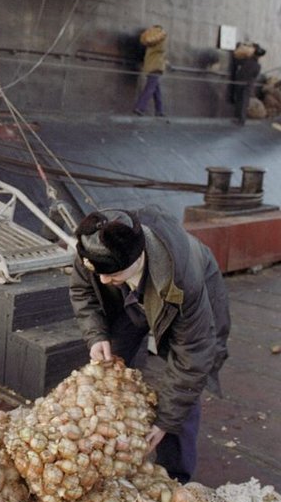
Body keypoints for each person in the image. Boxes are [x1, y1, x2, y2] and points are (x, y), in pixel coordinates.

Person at [69, 206, 230, 483]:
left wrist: (166, 420)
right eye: (99, 274)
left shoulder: (184, 282)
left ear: (136, 258)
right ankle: (108, 453)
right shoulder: (95, 245)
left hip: (180, 294)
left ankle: (175, 475)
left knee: (183, 395)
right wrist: (96, 336)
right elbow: (83, 291)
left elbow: (191, 358)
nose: (104, 280)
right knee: (109, 369)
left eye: (111, 275)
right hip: (129, 295)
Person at [134, 25, 167, 116]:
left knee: (156, 89)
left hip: (149, 65)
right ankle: (140, 108)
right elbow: (161, 52)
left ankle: (159, 110)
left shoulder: (150, 42)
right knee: (150, 88)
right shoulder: (160, 40)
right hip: (156, 66)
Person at [231, 42, 265, 125]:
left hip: (240, 82)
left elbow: (237, 61)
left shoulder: (246, 60)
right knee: (244, 102)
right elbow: (255, 76)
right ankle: (241, 119)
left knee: (240, 101)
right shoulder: (257, 66)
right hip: (248, 85)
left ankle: (240, 119)